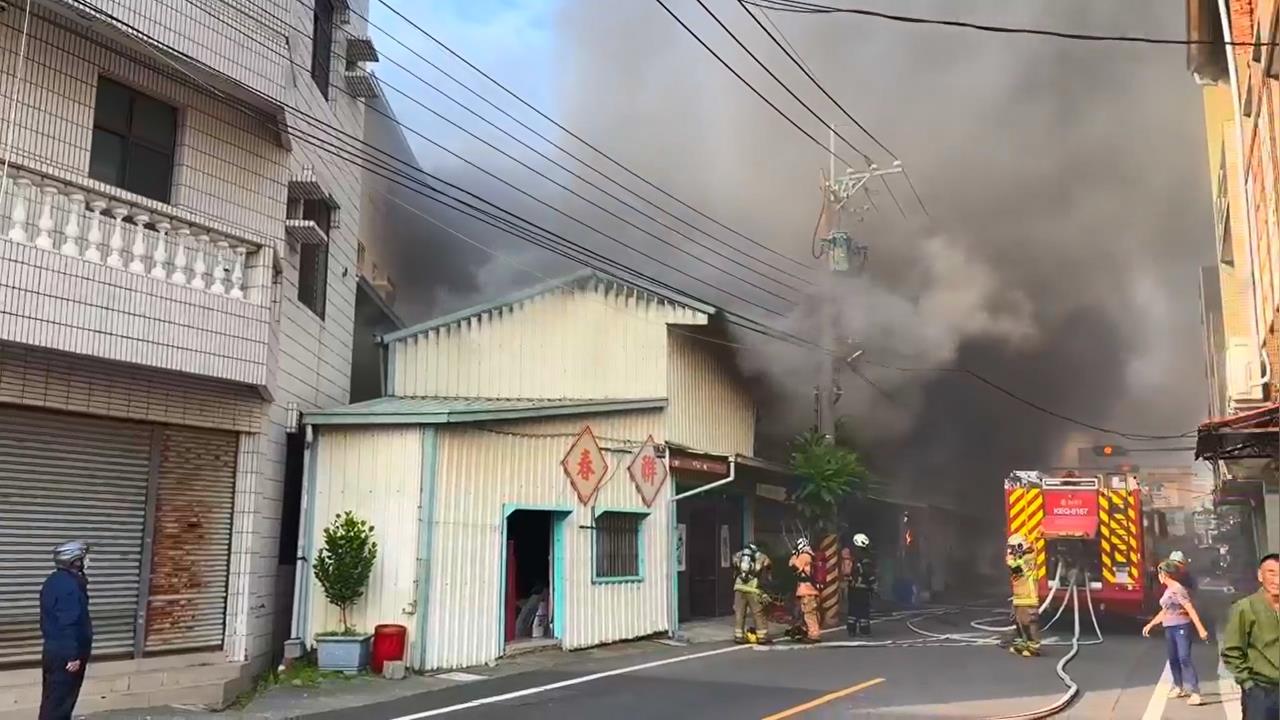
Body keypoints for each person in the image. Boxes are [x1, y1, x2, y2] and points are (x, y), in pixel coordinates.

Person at [1143, 559, 1210, 707]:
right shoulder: (1168, 590)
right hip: (1169, 627)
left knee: (1184, 658)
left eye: (1159, 573)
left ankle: (1196, 693)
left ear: (1164, 574)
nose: (1158, 577)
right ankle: (1179, 687)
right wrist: (1151, 624)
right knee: (1173, 659)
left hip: (1181, 626)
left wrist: (1201, 629)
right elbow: (1165, 611)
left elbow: (1190, 608)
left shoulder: (1178, 589)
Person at [1221, 553, 1279, 720]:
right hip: (1261, 691)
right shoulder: (1245, 608)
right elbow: (1232, 651)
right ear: (1260, 576)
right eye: (1271, 573)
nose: (1277, 580)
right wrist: (1248, 684)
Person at [40, 540, 93, 720]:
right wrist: (72, 655)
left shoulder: (54, 580)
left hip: (55, 650)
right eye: (83, 558)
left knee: (53, 699)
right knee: (60, 702)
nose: (87, 561)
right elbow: (68, 622)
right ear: (75, 560)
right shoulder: (69, 586)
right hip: (65, 654)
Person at [1006, 533, 1041, 658]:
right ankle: (1023, 643)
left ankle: (1033, 646)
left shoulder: (1028, 558)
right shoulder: (1020, 557)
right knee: (1019, 622)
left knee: (1028, 622)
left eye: (1013, 548)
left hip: (1028, 596)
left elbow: (1017, 569)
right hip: (1019, 597)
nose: (1011, 550)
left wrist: (1010, 560)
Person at [731, 542, 772, 645]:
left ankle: (738, 636)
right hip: (753, 589)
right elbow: (768, 565)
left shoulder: (739, 555)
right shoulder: (762, 557)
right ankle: (762, 637)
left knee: (739, 613)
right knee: (758, 613)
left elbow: (734, 564)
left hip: (739, 587)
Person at [842, 533, 877, 637]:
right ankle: (864, 630)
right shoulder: (865, 557)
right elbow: (868, 573)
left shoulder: (852, 556)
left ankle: (851, 629)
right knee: (863, 610)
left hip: (852, 587)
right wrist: (874, 585)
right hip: (863, 589)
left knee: (852, 609)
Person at [789, 537, 821, 643]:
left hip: (807, 590)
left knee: (809, 614)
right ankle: (808, 631)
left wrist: (794, 555)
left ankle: (814, 634)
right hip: (812, 589)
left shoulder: (804, 556)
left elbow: (793, 567)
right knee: (811, 613)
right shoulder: (811, 556)